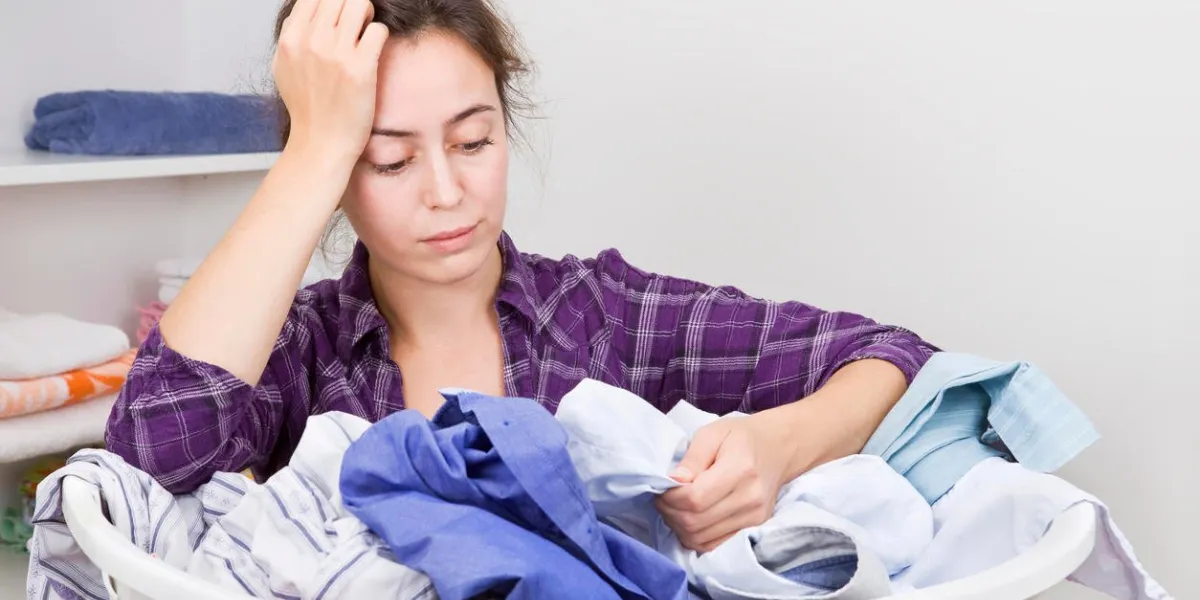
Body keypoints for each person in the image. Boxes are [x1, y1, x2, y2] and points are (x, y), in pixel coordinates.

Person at [106, 0, 938, 553]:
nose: (446, 192)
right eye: (389, 160)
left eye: (473, 142)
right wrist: (316, 147)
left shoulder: (604, 314)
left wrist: (776, 446)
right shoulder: (300, 347)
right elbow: (148, 455)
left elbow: (890, 354)